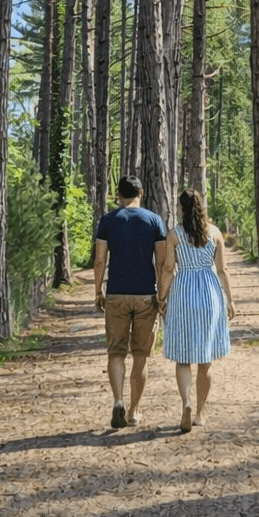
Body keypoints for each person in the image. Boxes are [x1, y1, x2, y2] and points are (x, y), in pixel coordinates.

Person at [93, 175, 168, 429]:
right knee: (140, 356)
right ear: (142, 193)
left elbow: (100, 260)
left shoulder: (108, 220)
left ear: (118, 194)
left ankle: (117, 401)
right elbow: (161, 262)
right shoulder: (154, 220)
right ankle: (134, 412)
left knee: (116, 353)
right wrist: (161, 295)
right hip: (146, 295)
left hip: (116, 294)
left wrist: (97, 291)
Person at [157, 189, 235, 433]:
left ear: (181, 209)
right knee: (205, 359)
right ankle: (200, 412)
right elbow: (222, 270)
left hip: (183, 292)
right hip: (210, 292)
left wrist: (162, 296)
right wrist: (230, 300)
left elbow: (169, 269)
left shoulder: (175, 235)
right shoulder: (214, 233)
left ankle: (186, 403)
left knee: (183, 356)